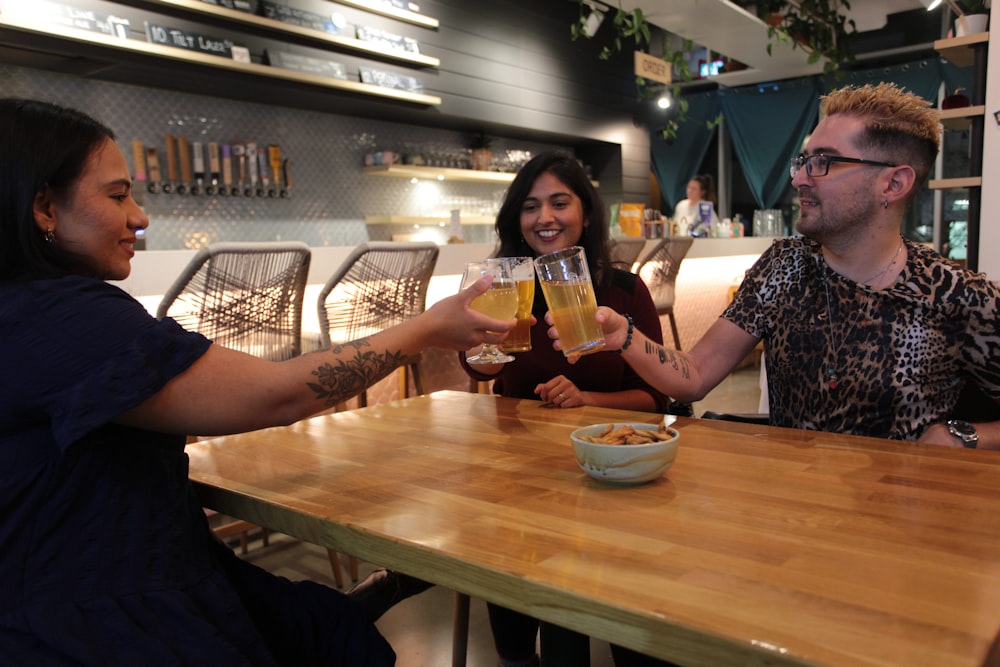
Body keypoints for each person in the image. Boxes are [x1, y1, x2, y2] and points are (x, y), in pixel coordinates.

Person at [0, 98, 515, 665]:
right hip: (86, 612)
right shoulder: (58, 316)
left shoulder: (35, 305)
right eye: (118, 195)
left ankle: (366, 594)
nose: (141, 216)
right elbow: (278, 393)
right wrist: (426, 327)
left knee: (319, 626)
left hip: (114, 562)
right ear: (44, 206)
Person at [548, 82, 1000, 449]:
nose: (799, 178)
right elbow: (696, 377)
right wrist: (623, 335)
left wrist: (963, 435)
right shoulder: (785, 265)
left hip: (901, 524)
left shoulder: (958, 294)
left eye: (823, 162)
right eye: (803, 160)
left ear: (894, 182)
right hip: (792, 512)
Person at [460, 150, 678, 667]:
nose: (545, 218)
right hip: (522, 471)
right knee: (518, 624)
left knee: (629, 608)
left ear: (585, 212)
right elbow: (481, 371)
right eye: (531, 206)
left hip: (612, 473)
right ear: (517, 218)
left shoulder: (623, 290)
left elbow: (656, 398)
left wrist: (587, 400)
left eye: (560, 202)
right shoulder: (503, 286)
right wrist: (484, 338)